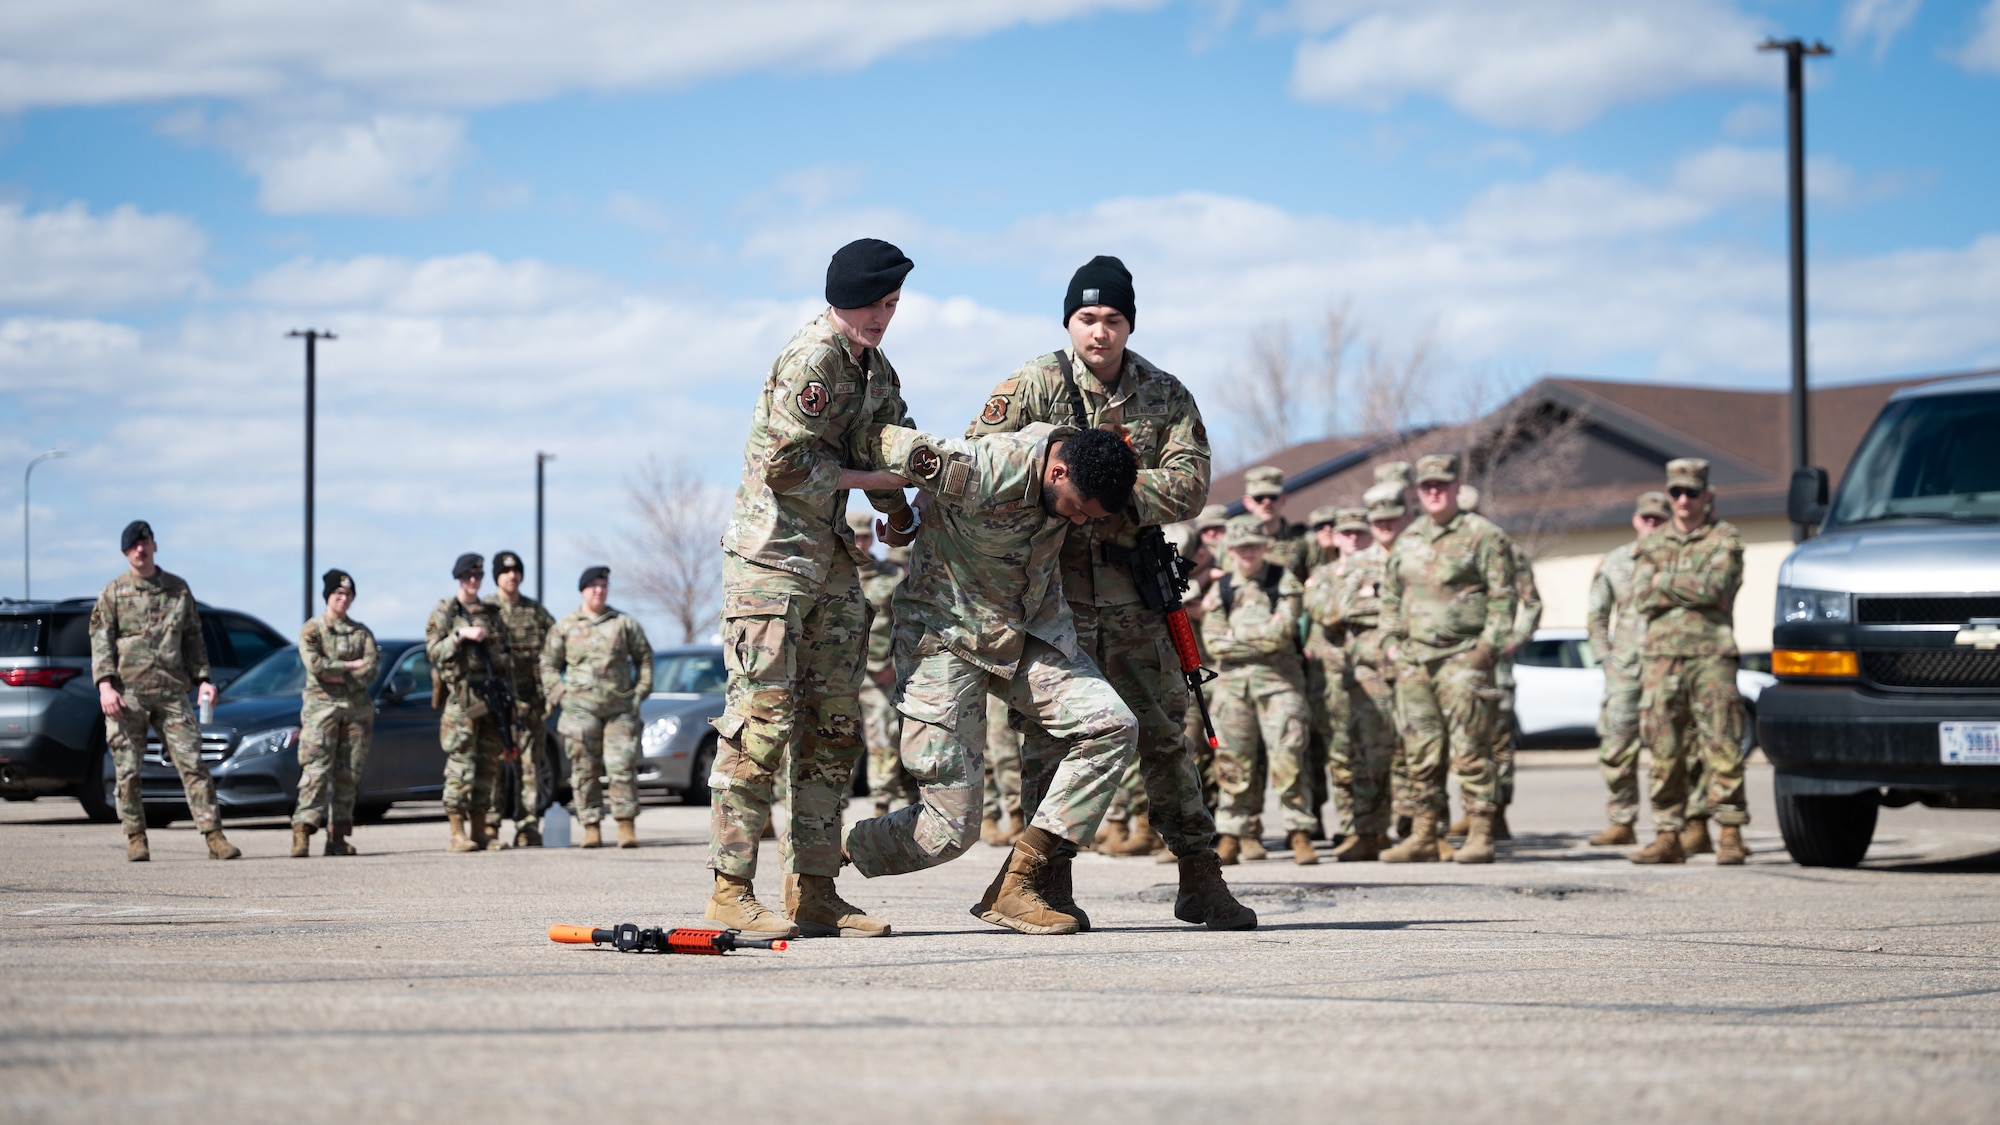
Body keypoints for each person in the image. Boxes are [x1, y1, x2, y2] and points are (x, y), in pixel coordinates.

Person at [963, 255, 1253, 930]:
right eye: (1088, 318)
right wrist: (1084, 493)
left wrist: (1099, 486)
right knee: (1046, 742)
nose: (1100, 332)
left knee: (1164, 738)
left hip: (1132, 594)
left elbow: (1190, 485)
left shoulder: (1165, 394)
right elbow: (985, 465)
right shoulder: (1031, 385)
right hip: (1050, 593)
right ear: (1070, 321)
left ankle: (1200, 877)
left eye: (1113, 319)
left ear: (1129, 324)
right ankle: (1044, 884)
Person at [842, 422, 1162, 935]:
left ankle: (1018, 882)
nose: (1078, 520)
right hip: (943, 637)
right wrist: (901, 513)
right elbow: (879, 440)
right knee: (948, 832)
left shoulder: (1074, 467)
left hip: (1025, 633)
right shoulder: (984, 467)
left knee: (1112, 726)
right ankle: (825, 855)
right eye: (1077, 507)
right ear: (1056, 471)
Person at [707, 238, 920, 941]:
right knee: (761, 726)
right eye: (871, 304)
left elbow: (891, 439)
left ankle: (816, 890)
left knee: (831, 728)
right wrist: (877, 486)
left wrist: (896, 509)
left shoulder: (873, 368)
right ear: (841, 298)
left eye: (889, 304)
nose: (881, 316)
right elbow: (786, 465)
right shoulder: (815, 358)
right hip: (770, 562)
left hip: (829, 560)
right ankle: (730, 890)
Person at [1379, 454, 1517, 864]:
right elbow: (1390, 595)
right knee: (1420, 752)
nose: (1434, 492)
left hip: (1463, 659)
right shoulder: (1408, 539)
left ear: (1457, 487)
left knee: (1471, 750)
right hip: (1415, 662)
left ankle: (1480, 833)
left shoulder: (1484, 536)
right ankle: (1425, 833)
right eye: (1427, 487)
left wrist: (1486, 650)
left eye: (1442, 485)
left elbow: (1504, 598)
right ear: (1417, 493)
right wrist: (1390, 642)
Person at [89, 520, 239, 862]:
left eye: (145, 543)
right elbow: (100, 642)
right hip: (129, 695)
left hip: (172, 692)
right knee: (127, 770)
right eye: (133, 546)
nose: (140, 550)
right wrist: (105, 686)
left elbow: (193, 638)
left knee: (193, 764)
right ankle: (135, 837)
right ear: (126, 552)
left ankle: (214, 836)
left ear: (154, 546)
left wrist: (203, 679)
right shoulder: (113, 592)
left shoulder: (177, 589)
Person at [1629, 459, 1750, 865]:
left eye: (1691, 493)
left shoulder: (1725, 538)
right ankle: (1668, 834)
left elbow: (1719, 587)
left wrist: (1665, 582)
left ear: (1706, 495)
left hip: (1711, 656)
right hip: (1661, 658)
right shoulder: (1652, 542)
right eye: (1676, 492)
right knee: (1664, 747)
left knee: (1721, 743)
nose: (1683, 500)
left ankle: (1729, 832)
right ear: (1668, 495)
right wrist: (1689, 586)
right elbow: (1641, 595)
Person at [1203, 523, 1313, 864]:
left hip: (1279, 684)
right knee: (1232, 763)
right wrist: (1256, 639)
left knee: (1288, 758)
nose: (1246, 552)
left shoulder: (1283, 581)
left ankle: (1299, 833)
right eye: (1239, 547)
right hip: (1233, 690)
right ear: (1230, 551)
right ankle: (1232, 835)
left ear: (1264, 546)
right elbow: (1212, 640)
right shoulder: (1221, 588)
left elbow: (1281, 635)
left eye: (1253, 545)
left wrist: (1238, 638)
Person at [1448, 484, 1540, 844]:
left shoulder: (1505, 550)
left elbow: (1531, 603)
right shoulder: (1448, 552)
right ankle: (1471, 811)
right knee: (1464, 739)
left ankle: (1496, 813)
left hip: (1494, 661)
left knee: (1497, 741)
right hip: (1459, 660)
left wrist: (1509, 641)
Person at [540, 567, 653, 848]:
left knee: (621, 766)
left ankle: (625, 825)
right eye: (593, 586)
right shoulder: (565, 626)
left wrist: (639, 693)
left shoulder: (623, 624)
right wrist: (560, 695)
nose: (599, 591)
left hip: (619, 709)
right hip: (580, 710)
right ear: (582, 591)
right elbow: (548, 665)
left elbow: (645, 659)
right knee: (584, 768)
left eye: (603, 585)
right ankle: (590, 825)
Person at [1585, 492, 1670, 846]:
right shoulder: (1615, 562)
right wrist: (1605, 658)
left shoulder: (1678, 561)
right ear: (1636, 520)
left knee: (1672, 748)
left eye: (1658, 519)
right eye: (1645, 518)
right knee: (1616, 745)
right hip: (1625, 669)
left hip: (1667, 666)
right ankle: (1622, 820)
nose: (1651, 524)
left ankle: (1677, 826)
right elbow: (1597, 615)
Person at [1331, 486, 1408, 861]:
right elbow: (1344, 608)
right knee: (1370, 755)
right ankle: (1369, 831)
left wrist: (1373, 595)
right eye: (1379, 521)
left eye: (1392, 518)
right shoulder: (1358, 563)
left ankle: (1421, 828)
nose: (1386, 526)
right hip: (1369, 671)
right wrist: (1395, 603)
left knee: (1419, 750)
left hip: (1413, 665)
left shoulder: (1418, 554)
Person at [425, 553, 514, 853]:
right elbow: (434, 652)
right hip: (462, 700)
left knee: (487, 765)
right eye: (468, 577)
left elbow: (506, 655)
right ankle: (456, 832)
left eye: (477, 576)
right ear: (459, 578)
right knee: (461, 765)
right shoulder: (446, 611)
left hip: (490, 697)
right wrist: (460, 635)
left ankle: (480, 830)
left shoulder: (491, 613)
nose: (473, 581)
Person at [292, 569, 379, 858]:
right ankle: (302, 832)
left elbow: (371, 668)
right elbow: (315, 666)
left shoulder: (361, 632)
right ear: (328, 596)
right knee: (315, 771)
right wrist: (349, 667)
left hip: (355, 713)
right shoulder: (312, 630)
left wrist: (339, 670)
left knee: (348, 775)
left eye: (347, 594)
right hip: (321, 711)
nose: (343, 599)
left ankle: (338, 837)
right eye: (338, 594)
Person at [1303, 507, 1372, 851]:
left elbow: (1398, 609)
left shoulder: (1388, 568)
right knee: (1342, 754)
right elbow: (1326, 612)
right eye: (1346, 533)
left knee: (1384, 754)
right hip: (1333, 679)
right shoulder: (1322, 574)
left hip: (1378, 676)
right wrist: (1364, 599)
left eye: (1360, 533)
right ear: (1337, 538)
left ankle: (1382, 826)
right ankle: (1351, 826)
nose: (1353, 539)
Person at [481, 550, 556, 847]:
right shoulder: (485, 610)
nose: (511, 576)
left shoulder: (535, 612)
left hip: (531, 703)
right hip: (498, 705)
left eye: (516, 571)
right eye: (505, 572)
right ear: (497, 576)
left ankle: (527, 826)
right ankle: (490, 822)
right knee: (495, 765)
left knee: (530, 766)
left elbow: (555, 647)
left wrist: (551, 692)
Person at [853, 512, 919, 819]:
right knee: (835, 737)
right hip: (840, 672)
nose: (861, 542)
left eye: (865, 537)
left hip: (879, 674)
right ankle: (833, 812)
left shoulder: (890, 578)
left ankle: (881, 805)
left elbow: (907, 624)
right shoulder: (832, 573)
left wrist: (896, 662)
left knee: (884, 737)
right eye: (855, 536)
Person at [1239, 467, 1314, 581]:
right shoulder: (1233, 545)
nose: (1267, 502)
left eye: (1273, 496)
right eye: (1259, 498)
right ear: (1247, 502)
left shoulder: (1304, 540)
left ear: (1283, 499)